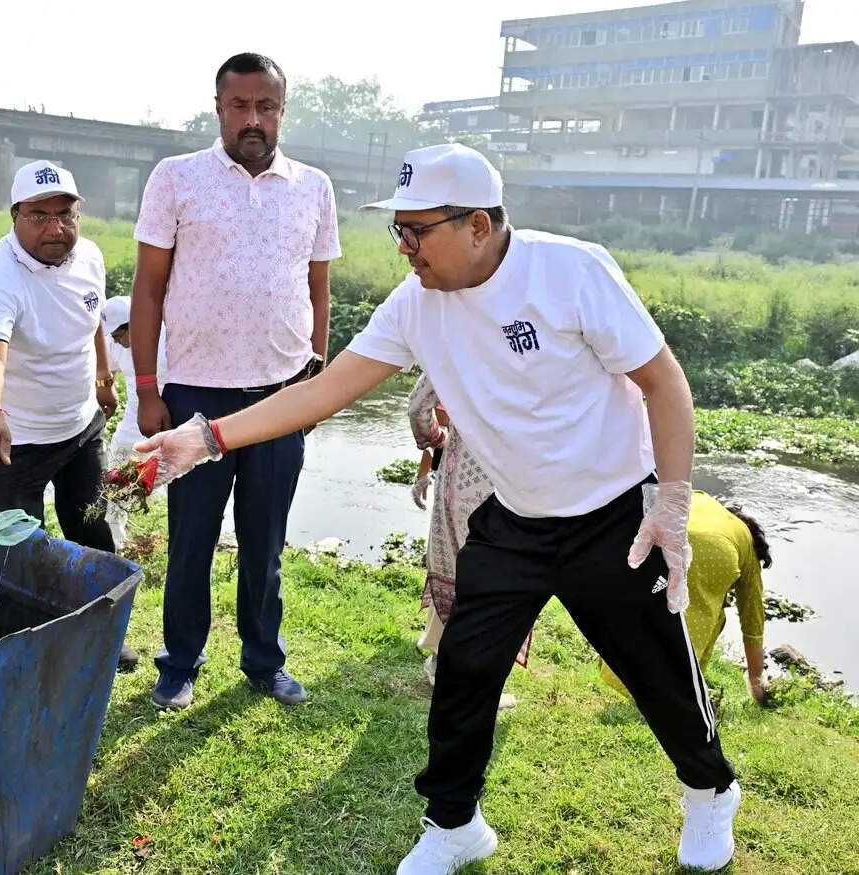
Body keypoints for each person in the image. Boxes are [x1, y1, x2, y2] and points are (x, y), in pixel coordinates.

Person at [134, 143, 742, 874]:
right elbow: (324, 392)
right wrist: (207, 438)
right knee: (464, 669)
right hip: (513, 516)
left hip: (612, 516)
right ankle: (455, 822)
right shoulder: (415, 304)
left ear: (478, 224)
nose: (404, 247)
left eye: (417, 230)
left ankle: (709, 790)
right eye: (399, 229)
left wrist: (670, 503)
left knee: (660, 674)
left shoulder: (571, 271)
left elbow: (664, 383)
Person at [130, 52, 340, 710]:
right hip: (194, 396)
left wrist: (316, 375)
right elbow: (149, 287)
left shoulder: (313, 187)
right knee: (191, 537)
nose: (254, 119)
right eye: (241, 105)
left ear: (282, 110)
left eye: (267, 106)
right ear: (219, 108)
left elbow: (319, 289)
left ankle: (263, 659)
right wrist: (145, 387)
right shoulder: (177, 179)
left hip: (280, 397)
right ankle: (180, 662)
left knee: (264, 540)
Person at [0, 160, 138, 670]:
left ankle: (102, 632)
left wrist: (104, 382)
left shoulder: (91, 256)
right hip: (19, 442)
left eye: (66, 214)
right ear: (15, 216)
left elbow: (95, 323)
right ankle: (22, 648)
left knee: (93, 531)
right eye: (39, 216)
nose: (56, 228)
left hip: (82, 428)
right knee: (16, 549)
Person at [407, 374, 529, 709]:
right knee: (503, 584)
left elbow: (420, 405)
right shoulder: (536, 342)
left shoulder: (456, 340)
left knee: (456, 572)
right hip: (518, 482)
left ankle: (445, 664)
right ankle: (473, 678)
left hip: (459, 480)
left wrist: (436, 441)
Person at [602, 491, 771, 703]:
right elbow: (753, 621)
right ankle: (674, 693)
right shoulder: (745, 541)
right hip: (718, 554)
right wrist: (756, 679)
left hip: (666, 533)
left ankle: (624, 679)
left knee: (645, 606)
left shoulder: (701, 497)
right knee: (698, 619)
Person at [100, 295, 166, 548]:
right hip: (132, 424)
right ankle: (116, 546)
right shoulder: (114, 340)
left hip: (170, 425)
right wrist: (105, 387)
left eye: (118, 335)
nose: (115, 341)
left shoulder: (167, 338)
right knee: (115, 485)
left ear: (135, 324)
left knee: (183, 489)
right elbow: (106, 372)